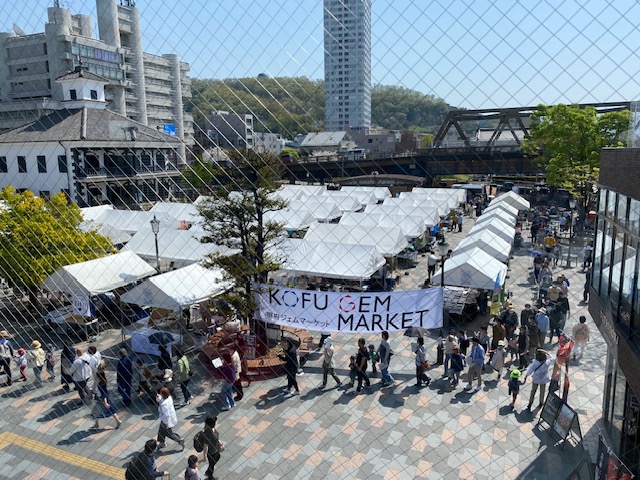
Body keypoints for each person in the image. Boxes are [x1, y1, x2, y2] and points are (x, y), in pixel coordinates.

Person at [202, 415, 224, 480]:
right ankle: (210, 477)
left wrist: (218, 441)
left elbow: (215, 437)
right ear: (212, 424)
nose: (216, 423)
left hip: (215, 448)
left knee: (218, 457)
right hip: (211, 452)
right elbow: (206, 446)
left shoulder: (212, 429)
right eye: (215, 422)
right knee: (212, 465)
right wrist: (204, 456)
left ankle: (208, 471)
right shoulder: (208, 432)